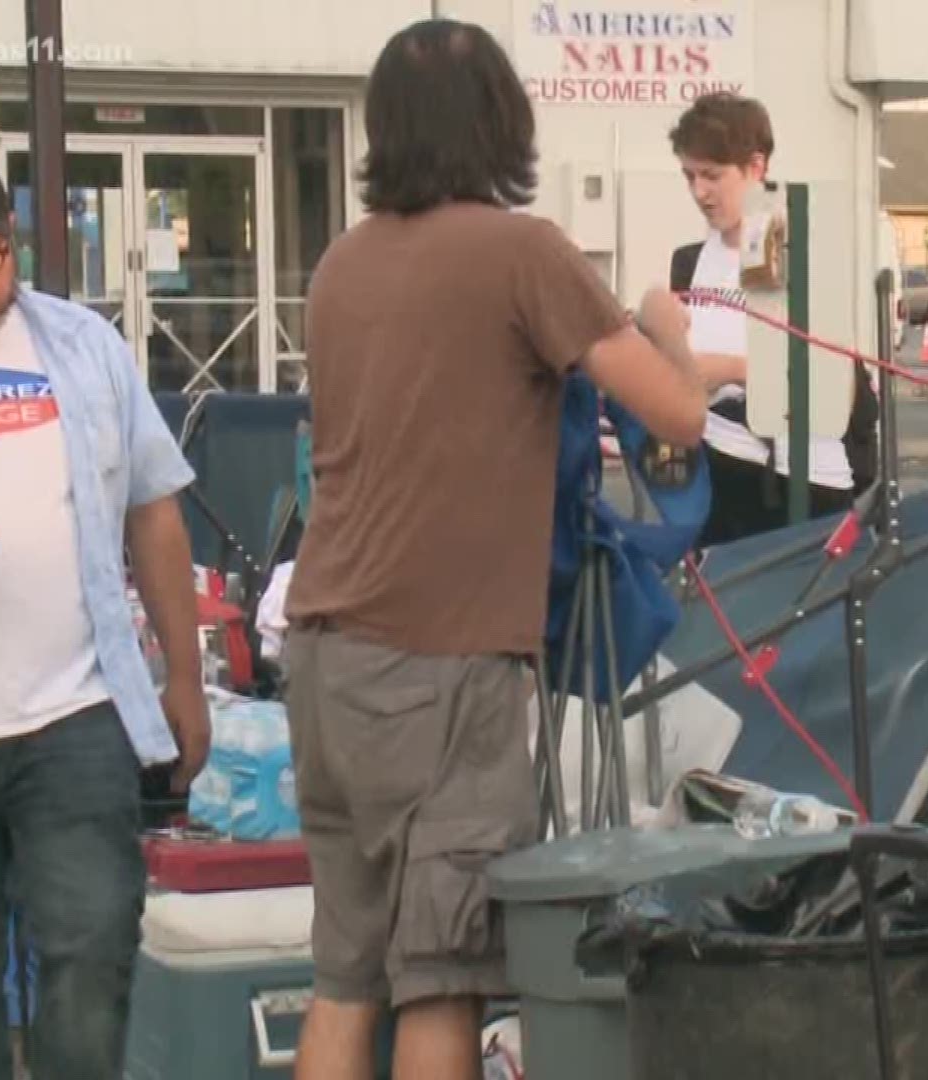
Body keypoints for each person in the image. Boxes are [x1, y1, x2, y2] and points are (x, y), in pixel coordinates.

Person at [281, 20, 706, 1080]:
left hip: (323, 657)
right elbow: (676, 416)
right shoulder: (524, 252)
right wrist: (674, 323)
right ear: (502, 124)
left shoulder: (341, 263)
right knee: (443, 976)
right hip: (440, 671)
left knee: (347, 975)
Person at [0, 137, 208, 1078]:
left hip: (75, 720)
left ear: (12, 248)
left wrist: (186, 677)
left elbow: (151, 511)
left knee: (89, 963)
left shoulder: (82, 347)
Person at [667, 92, 876, 547]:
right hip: (716, 471)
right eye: (689, 175)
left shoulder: (795, 247)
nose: (699, 191)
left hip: (796, 483)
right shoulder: (689, 261)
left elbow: (832, 384)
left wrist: (729, 370)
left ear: (756, 167)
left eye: (711, 175)